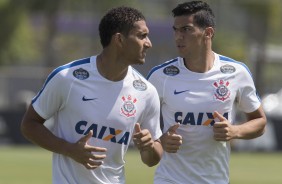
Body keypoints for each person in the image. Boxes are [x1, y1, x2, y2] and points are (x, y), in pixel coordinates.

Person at [21, 6, 163, 184]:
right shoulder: (67, 78)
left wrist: (149, 147)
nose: (148, 43)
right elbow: (29, 124)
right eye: (142, 36)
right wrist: (69, 149)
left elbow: (152, 159)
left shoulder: (146, 92)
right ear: (119, 39)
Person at [147, 1, 267, 184]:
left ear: (208, 33)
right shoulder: (160, 76)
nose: (178, 36)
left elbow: (260, 121)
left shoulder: (236, 72)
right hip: (169, 179)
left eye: (186, 29)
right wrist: (160, 140)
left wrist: (235, 131)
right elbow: (139, 126)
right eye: (176, 30)